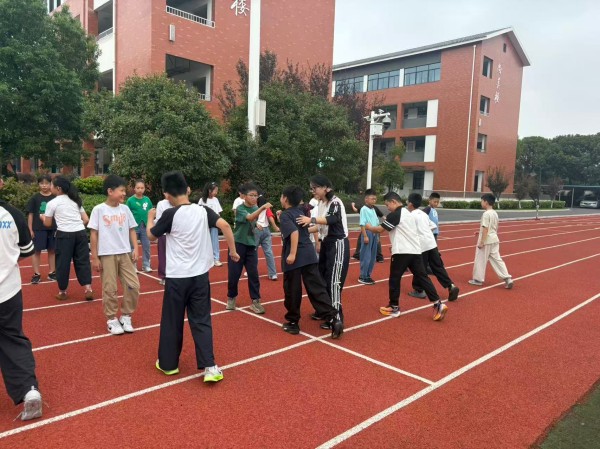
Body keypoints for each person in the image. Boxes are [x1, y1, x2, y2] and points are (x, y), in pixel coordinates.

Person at [147, 171, 239, 383]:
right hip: (199, 277)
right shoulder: (203, 210)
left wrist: (150, 218)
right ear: (187, 189)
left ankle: (169, 364)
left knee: (172, 320)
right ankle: (210, 367)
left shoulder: (170, 214)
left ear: (166, 194)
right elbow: (225, 226)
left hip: (177, 278)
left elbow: (151, 235)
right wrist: (233, 251)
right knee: (201, 320)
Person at [365, 191, 448, 321]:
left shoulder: (396, 214)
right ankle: (438, 304)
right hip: (416, 251)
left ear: (393, 202)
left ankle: (394, 306)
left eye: (387, 205)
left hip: (402, 252)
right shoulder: (408, 213)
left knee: (394, 278)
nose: (387, 208)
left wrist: (368, 227)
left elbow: (380, 229)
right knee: (423, 277)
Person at [279, 186, 343, 338]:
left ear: (285, 199)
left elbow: (294, 232)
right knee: (316, 288)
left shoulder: (286, 215)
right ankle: (333, 318)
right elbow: (301, 227)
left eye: (281, 196)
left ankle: (293, 322)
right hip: (309, 255)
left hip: (296, 258)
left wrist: (292, 254)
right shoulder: (300, 212)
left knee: (292, 290)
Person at [0, 192, 42, 421]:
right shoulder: (13, 214)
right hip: (7, 290)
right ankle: (29, 390)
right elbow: (26, 250)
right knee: (13, 339)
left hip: (8, 290)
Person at [89, 175, 141, 335]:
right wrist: (94, 257)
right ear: (110, 191)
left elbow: (132, 229)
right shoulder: (99, 210)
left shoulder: (125, 209)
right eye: (122, 190)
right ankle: (111, 319)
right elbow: (93, 234)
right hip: (107, 255)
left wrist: (135, 248)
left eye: (125, 191)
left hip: (124, 253)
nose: (124, 193)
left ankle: (126, 316)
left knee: (133, 285)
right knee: (110, 289)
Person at [296, 175, 349, 326]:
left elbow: (331, 220)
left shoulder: (335, 202)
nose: (313, 191)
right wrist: (301, 231)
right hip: (326, 243)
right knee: (321, 280)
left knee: (334, 282)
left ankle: (336, 318)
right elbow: (320, 226)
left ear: (326, 188)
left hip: (338, 244)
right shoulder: (321, 203)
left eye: (315, 188)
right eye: (311, 188)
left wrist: (310, 220)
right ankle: (325, 311)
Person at [42, 176, 93, 301]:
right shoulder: (75, 200)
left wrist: (42, 217)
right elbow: (86, 219)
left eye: (52, 185)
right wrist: (76, 225)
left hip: (64, 235)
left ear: (58, 188)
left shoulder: (52, 203)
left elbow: (47, 223)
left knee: (62, 263)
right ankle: (88, 289)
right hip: (80, 233)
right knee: (83, 261)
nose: (50, 187)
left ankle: (63, 291)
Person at [405, 193, 460, 302]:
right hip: (431, 243)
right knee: (438, 267)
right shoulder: (423, 214)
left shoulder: (410, 216)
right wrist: (425, 233)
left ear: (410, 203)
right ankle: (451, 285)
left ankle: (419, 290)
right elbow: (433, 226)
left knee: (419, 268)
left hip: (422, 246)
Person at [226, 183, 271, 313]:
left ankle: (256, 301)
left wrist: (257, 225)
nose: (254, 198)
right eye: (251, 195)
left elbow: (252, 220)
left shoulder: (255, 207)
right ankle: (231, 297)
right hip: (238, 244)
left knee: (253, 274)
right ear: (244, 196)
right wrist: (262, 208)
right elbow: (250, 217)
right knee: (234, 274)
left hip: (251, 245)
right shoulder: (240, 208)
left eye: (256, 195)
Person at [469, 193, 514, 289]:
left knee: (480, 259)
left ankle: (478, 279)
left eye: (482, 201)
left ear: (486, 202)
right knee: (497, 260)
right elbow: (493, 227)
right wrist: (480, 232)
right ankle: (507, 278)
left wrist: (482, 242)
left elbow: (486, 228)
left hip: (486, 241)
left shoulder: (486, 214)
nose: (481, 203)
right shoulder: (494, 213)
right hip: (494, 239)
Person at [26, 174, 57, 284]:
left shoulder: (55, 197)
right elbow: (30, 214)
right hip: (38, 229)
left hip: (53, 228)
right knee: (36, 251)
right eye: (41, 183)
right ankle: (36, 274)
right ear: (38, 184)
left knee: (52, 250)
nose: (44, 186)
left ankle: (52, 272)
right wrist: (30, 229)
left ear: (51, 184)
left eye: (46, 183)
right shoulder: (35, 198)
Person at [126, 180, 153, 273]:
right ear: (134, 189)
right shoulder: (130, 200)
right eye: (138, 188)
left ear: (144, 189)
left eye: (142, 188)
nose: (140, 190)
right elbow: (126, 213)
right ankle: (133, 265)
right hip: (134, 227)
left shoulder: (147, 200)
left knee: (147, 246)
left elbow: (151, 211)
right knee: (133, 247)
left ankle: (146, 265)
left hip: (145, 226)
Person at [199, 181, 224, 267]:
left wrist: (220, 223)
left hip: (214, 224)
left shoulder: (215, 200)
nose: (216, 192)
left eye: (217, 191)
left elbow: (218, 212)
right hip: (205, 224)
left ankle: (216, 259)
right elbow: (199, 212)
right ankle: (205, 259)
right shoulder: (202, 200)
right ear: (209, 190)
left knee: (214, 241)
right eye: (215, 190)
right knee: (204, 241)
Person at [358, 189, 380, 285]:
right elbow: (362, 224)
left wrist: (378, 236)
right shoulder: (364, 209)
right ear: (366, 199)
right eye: (372, 199)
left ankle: (368, 275)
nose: (374, 200)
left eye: (375, 199)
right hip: (368, 233)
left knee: (372, 256)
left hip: (374, 233)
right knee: (366, 255)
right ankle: (363, 276)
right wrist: (365, 236)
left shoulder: (373, 209)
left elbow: (377, 222)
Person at [255, 194, 279, 281]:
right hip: (266, 230)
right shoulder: (266, 208)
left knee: (253, 252)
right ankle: (273, 274)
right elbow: (270, 217)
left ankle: (251, 271)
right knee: (269, 252)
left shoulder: (254, 208)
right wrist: (275, 227)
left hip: (257, 230)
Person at [155, 195, 172, 286]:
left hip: (175, 234)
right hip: (164, 234)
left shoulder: (177, 201)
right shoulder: (161, 204)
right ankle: (163, 276)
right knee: (163, 255)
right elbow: (159, 219)